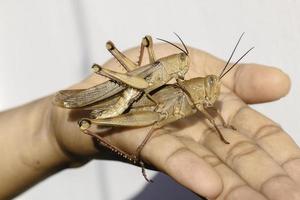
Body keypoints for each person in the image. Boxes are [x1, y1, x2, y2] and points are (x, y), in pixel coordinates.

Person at [0, 43, 299, 200]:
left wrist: (50, 133)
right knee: (152, 124)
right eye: (209, 84)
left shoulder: (195, 93)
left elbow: (210, 108)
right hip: (148, 104)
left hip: (151, 101)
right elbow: (191, 108)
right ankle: (92, 117)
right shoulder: (182, 87)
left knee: (155, 119)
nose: (214, 91)